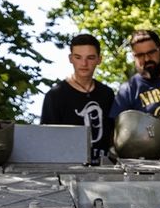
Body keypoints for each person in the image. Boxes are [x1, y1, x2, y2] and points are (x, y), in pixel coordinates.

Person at [40, 33, 116, 163]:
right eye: (78, 57)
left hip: (104, 170)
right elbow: (46, 141)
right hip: (66, 168)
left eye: (90, 58)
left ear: (99, 59)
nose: (84, 63)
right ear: (70, 58)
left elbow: (114, 137)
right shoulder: (56, 95)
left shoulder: (107, 94)